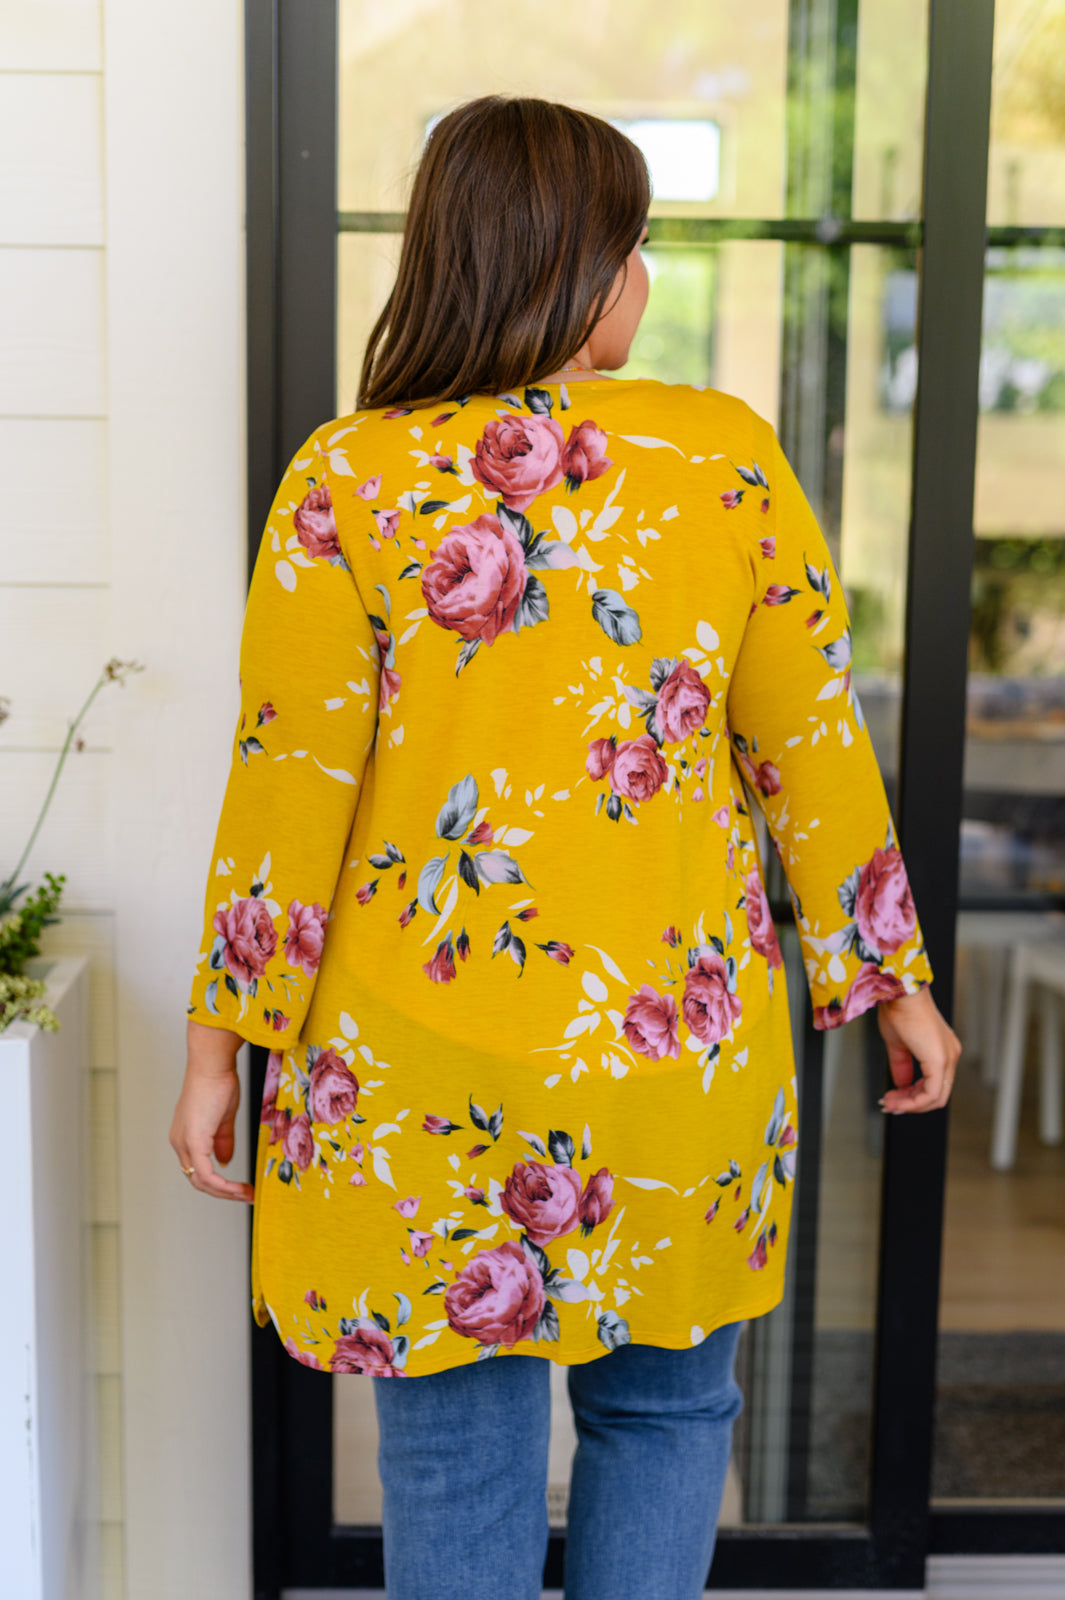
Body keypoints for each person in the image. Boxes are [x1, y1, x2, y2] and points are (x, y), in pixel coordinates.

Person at [170, 95, 961, 1600]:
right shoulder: (722, 459)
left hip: (412, 1066)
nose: (643, 276)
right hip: (674, 1058)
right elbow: (807, 744)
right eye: (636, 244)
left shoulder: (346, 477)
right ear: (579, 261)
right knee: (666, 1415)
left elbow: (288, 787)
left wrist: (223, 1049)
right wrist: (892, 982)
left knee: (452, 1457)